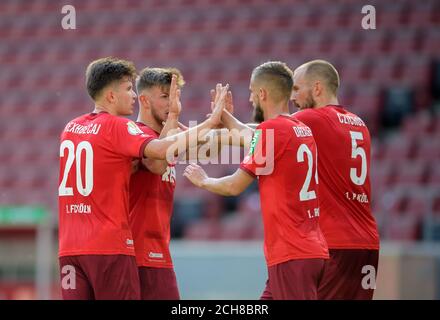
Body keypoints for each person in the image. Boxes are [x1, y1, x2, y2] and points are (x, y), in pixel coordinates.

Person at [58, 57, 228, 299]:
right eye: (128, 89)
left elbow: (206, 150)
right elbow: (158, 158)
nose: (133, 96)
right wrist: (210, 121)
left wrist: (220, 125)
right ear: (111, 96)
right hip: (119, 248)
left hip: (70, 247)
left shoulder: (71, 127)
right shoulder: (123, 129)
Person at [184, 61, 329, 300]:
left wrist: (203, 181)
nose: (251, 98)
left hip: (292, 252)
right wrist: (225, 116)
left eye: (252, 92)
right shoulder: (300, 129)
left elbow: (234, 186)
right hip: (308, 249)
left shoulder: (271, 131)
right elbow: (254, 135)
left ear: (262, 93)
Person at [291, 59, 380, 300]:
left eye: (297, 88)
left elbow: (266, 132)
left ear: (317, 88)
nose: (292, 97)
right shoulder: (360, 124)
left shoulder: (313, 119)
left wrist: (215, 126)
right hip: (367, 244)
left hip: (334, 242)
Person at [129, 67, 185, 300]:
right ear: (144, 100)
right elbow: (157, 163)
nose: (172, 103)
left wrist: (220, 121)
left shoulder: (169, 134)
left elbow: (212, 147)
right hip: (136, 253)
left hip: (159, 251)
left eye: (175, 97)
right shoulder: (133, 133)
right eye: (165, 96)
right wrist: (173, 116)